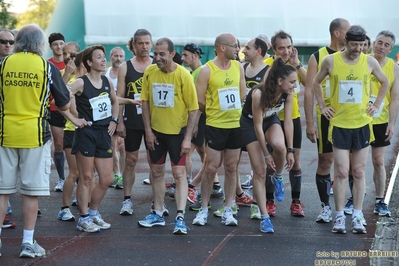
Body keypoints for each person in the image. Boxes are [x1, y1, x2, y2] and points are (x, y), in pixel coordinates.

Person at [0, 24, 70, 258]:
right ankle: (28, 243)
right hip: (36, 135)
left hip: (4, 133)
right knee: (31, 192)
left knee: (2, 192)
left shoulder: (2, 65)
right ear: (41, 43)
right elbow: (64, 103)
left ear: (18, 41)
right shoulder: (46, 67)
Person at [313, 25, 389, 234]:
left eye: (362, 45)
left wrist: (376, 105)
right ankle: (339, 217)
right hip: (339, 125)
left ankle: (357, 214)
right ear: (346, 42)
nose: (358, 49)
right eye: (354, 44)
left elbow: (385, 82)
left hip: (362, 124)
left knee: (358, 171)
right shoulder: (331, 61)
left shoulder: (369, 61)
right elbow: (315, 82)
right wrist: (322, 106)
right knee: (341, 171)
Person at [138, 37, 198, 235]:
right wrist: (148, 130)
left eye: (162, 54)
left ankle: (180, 217)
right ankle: (157, 212)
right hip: (156, 132)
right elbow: (144, 101)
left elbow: (193, 108)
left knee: (179, 174)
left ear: (173, 54)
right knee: (156, 172)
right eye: (156, 53)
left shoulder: (184, 75)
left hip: (177, 133)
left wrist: (188, 137)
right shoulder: (150, 72)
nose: (158, 57)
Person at [192, 33, 246, 227]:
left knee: (232, 167)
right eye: (235, 46)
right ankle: (204, 209)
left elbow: (241, 92)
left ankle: (228, 208)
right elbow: (199, 100)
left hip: (235, 124)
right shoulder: (207, 70)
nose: (238, 49)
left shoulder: (238, 66)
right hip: (215, 125)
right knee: (211, 168)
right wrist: (215, 111)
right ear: (223, 47)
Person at [241, 57, 296, 233]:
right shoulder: (259, 94)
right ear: (280, 81)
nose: (295, 85)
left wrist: (290, 150)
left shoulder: (287, 94)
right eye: (292, 82)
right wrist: (266, 155)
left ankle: (278, 176)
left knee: (280, 146)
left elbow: (288, 122)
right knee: (259, 172)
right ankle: (264, 217)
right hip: (250, 124)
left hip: (270, 119)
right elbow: (257, 127)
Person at [304, 18, 350, 223]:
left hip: (350, 116)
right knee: (326, 160)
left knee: (351, 164)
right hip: (326, 117)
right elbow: (308, 90)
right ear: (337, 33)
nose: (352, 35)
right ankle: (325, 207)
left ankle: (352, 207)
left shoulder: (354, 56)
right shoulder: (318, 56)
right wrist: (311, 123)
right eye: (348, 31)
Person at [69, 45, 119, 233]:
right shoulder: (81, 82)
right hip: (86, 133)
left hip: (104, 133)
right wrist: (74, 118)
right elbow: (61, 99)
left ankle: (93, 213)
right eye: (99, 57)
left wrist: (115, 120)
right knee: (87, 177)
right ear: (89, 63)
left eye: (103, 57)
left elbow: (115, 101)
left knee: (107, 178)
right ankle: (83, 218)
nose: (103, 60)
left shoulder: (107, 81)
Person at [264, 30, 307, 217]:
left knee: (294, 160)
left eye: (289, 47)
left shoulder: (295, 65)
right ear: (274, 49)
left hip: (292, 118)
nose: (286, 51)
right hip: (270, 119)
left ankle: (296, 202)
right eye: (281, 48)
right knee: (272, 162)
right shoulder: (266, 65)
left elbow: (310, 83)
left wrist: (297, 64)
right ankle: (269, 201)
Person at [181, 43, 224, 208]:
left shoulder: (201, 72)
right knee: (203, 153)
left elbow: (200, 102)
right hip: (198, 119)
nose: (183, 58)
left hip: (200, 119)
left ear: (195, 55)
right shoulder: (194, 72)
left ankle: (188, 186)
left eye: (186, 55)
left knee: (188, 152)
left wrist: (195, 124)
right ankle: (215, 184)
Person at [116, 29, 154, 216]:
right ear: (134, 45)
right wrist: (119, 121)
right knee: (130, 160)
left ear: (152, 44)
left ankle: (157, 201)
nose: (144, 46)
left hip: (154, 122)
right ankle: (127, 199)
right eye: (141, 43)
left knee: (155, 162)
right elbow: (119, 96)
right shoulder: (125, 67)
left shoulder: (156, 65)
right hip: (131, 121)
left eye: (147, 43)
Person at [364, 31, 398, 217]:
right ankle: (353, 199)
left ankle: (380, 200)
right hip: (360, 119)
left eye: (386, 45)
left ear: (391, 49)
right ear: (373, 43)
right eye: (379, 42)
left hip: (380, 120)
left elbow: (395, 99)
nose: (381, 47)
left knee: (378, 161)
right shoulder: (364, 61)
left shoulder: (394, 68)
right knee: (356, 164)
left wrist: (391, 123)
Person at [240, 37, 271, 221]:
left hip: (259, 121)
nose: (244, 51)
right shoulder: (241, 68)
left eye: (248, 48)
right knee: (232, 162)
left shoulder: (268, 71)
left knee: (259, 167)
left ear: (258, 51)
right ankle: (233, 199)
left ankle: (258, 204)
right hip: (240, 120)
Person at [0, 29, 17, 229]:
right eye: (3, 41)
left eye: (11, 42)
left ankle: (7, 210)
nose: (7, 45)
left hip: (10, 127)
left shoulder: (16, 65)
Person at [47, 32, 67, 192]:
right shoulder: (48, 65)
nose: (59, 47)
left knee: (75, 146)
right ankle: (61, 178)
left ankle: (77, 176)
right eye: (55, 44)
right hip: (54, 109)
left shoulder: (72, 63)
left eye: (61, 43)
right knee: (59, 144)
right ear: (51, 47)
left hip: (73, 110)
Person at [105, 46, 126, 189]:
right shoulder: (105, 74)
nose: (118, 58)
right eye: (115, 56)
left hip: (125, 113)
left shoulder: (126, 73)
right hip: (110, 113)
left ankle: (123, 175)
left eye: (121, 56)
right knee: (113, 146)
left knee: (123, 146)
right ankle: (117, 174)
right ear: (111, 57)